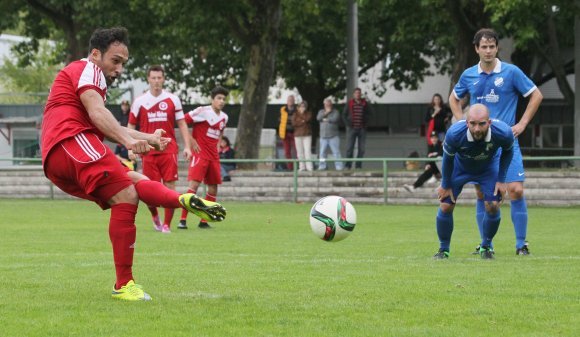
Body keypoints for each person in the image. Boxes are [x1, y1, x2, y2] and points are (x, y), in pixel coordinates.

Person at [41, 27, 225, 301]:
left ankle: (184, 200)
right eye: (115, 60)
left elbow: (103, 122)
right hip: (70, 141)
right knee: (126, 193)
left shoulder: (90, 82)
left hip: (66, 152)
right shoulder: (88, 70)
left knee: (132, 183)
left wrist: (147, 137)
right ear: (95, 54)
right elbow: (98, 113)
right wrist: (128, 140)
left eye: (123, 63)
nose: (119, 69)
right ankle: (123, 284)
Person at [448, 28, 543, 256]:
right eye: (484, 47)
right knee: (483, 194)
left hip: (506, 142)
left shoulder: (511, 72)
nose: (488, 51)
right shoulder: (469, 74)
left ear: (497, 48)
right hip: (481, 145)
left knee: (516, 191)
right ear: (476, 49)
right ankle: (485, 244)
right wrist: (463, 122)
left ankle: (521, 244)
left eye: (492, 47)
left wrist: (522, 124)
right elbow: (453, 98)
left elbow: (536, 95)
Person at [433, 104, 514, 260]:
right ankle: (444, 249)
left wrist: (502, 180)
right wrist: (445, 185)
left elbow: (508, 151)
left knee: (492, 206)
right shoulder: (454, 134)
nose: (477, 129)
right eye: (473, 124)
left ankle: (486, 246)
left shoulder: (503, 132)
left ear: (489, 122)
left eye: (482, 124)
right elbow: (448, 159)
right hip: (459, 168)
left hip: (488, 170)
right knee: (446, 204)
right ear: (466, 122)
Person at [127, 65, 192, 233]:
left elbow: (182, 124)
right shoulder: (140, 101)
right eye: (153, 78)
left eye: (159, 78)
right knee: (150, 191)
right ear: (148, 79)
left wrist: (188, 146)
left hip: (168, 150)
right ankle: (155, 217)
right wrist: (130, 147)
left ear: (163, 79)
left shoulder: (173, 99)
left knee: (170, 187)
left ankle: (166, 225)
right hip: (147, 151)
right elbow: (131, 125)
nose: (156, 81)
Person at [178, 86, 229, 230]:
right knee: (193, 186)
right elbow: (182, 121)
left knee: (213, 188)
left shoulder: (224, 117)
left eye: (224, 99)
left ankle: (204, 221)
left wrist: (218, 146)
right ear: (212, 99)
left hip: (213, 157)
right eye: (219, 98)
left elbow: (220, 133)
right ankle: (182, 220)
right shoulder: (202, 111)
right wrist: (191, 140)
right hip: (200, 154)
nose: (221, 101)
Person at [342, 87, 372, 169]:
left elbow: (370, 114)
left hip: (362, 129)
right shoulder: (350, 103)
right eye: (356, 93)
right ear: (354, 94)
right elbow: (344, 115)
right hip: (352, 129)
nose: (357, 94)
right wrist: (348, 124)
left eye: (359, 93)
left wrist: (366, 123)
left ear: (360, 94)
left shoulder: (365, 103)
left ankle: (358, 165)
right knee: (349, 148)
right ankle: (348, 165)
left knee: (362, 149)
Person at [317, 98, 344, 171]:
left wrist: (325, 119)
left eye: (329, 104)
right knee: (322, 153)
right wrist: (326, 113)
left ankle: (339, 167)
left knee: (336, 152)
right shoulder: (321, 111)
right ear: (324, 104)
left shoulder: (336, 112)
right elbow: (318, 118)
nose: (328, 105)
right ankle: (322, 166)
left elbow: (335, 119)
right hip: (323, 136)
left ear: (331, 104)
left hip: (333, 136)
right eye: (326, 104)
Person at [292, 100, 313, 171]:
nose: (302, 108)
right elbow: (294, 123)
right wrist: (302, 122)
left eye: (303, 106)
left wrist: (301, 120)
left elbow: (307, 119)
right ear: (298, 107)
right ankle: (302, 167)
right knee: (299, 152)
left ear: (306, 107)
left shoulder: (308, 113)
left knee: (307, 151)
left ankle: (309, 167)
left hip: (307, 134)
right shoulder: (295, 114)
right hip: (297, 135)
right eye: (300, 106)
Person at [278, 95, 297, 170]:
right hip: (285, 133)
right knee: (287, 151)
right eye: (289, 100)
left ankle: (297, 167)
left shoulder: (297, 110)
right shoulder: (283, 109)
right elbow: (280, 119)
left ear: (294, 101)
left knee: (296, 151)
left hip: (294, 133)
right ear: (287, 101)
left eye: (292, 100)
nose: (290, 101)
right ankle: (290, 168)